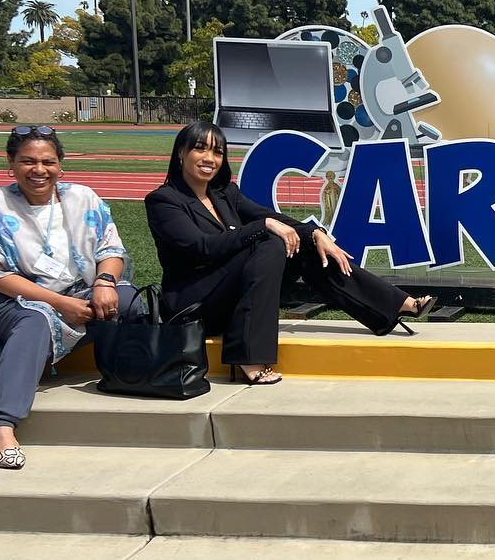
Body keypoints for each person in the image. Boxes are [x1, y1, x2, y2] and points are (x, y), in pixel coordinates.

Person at [145, 121, 435, 385]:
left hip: (229, 295)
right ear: (181, 154)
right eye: (200, 149)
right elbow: (202, 249)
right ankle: (248, 356)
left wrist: (316, 234)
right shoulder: (163, 201)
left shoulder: (225, 195)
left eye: (217, 152)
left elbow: (271, 217)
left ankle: (393, 304)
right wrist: (264, 226)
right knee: (272, 241)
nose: (210, 159)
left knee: (302, 245)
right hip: (195, 306)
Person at [0, 125, 139, 470]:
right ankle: (2, 426)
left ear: (61, 165)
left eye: (48, 161)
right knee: (35, 320)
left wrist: (104, 281)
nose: (39, 170)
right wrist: (59, 304)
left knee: (125, 299)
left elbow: (111, 249)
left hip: (74, 292)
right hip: (9, 301)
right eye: (28, 161)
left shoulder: (83, 199)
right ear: (11, 163)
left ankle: (117, 375)